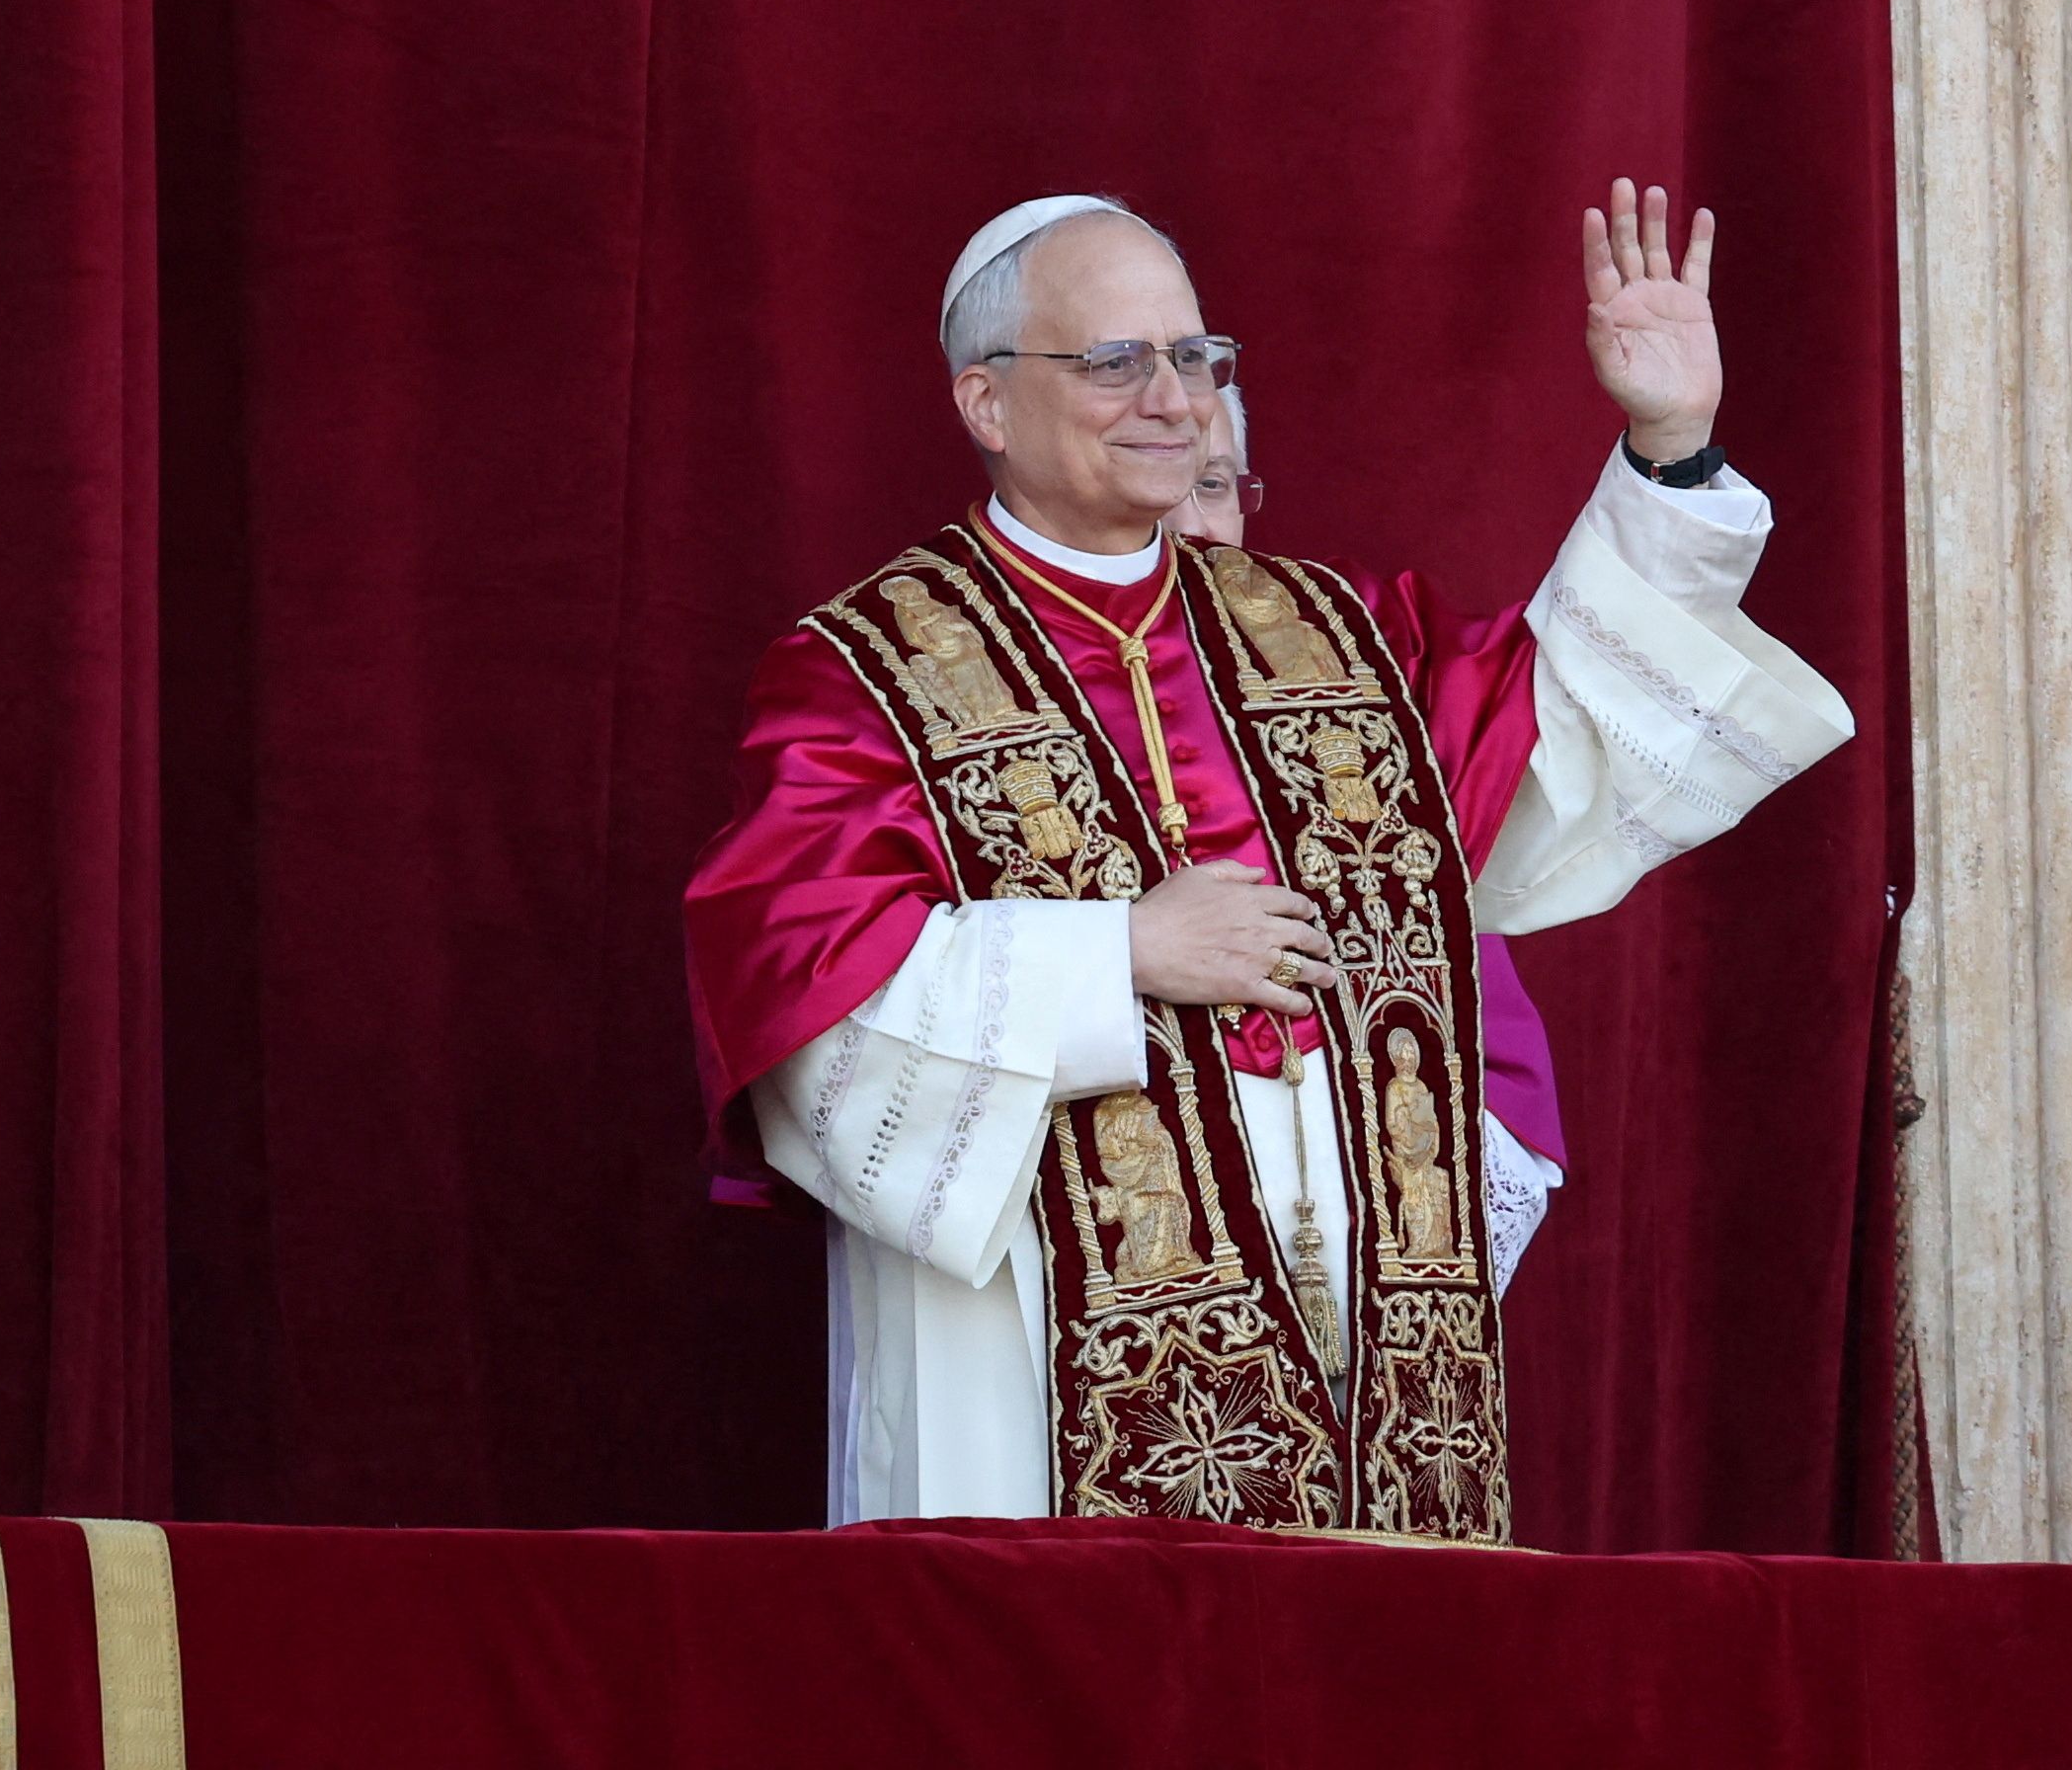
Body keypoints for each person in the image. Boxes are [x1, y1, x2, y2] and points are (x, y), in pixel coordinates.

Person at [682, 182, 1853, 1533]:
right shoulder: (865, 670)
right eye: (1114, 360)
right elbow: (800, 999)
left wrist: (1670, 448)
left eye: (1196, 358)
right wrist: (1115, 955)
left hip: (1364, 1362)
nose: (1171, 397)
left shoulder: (1340, 629)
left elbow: (1563, 737)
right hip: (1028, 1363)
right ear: (988, 404)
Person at [1171, 419, 1573, 1291]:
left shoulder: (1349, 662)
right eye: (1161, 487)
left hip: (1368, 1191)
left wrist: (1670, 447)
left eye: (1214, 486)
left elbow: (1561, 711)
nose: (1195, 526)